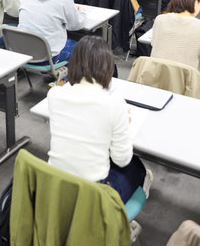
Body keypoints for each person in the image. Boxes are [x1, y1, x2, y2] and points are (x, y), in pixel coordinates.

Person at [47, 35, 149, 204]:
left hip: (55, 183)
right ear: (108, 68)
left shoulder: (55, 94)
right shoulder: (114, 103)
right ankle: (117, 223)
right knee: (137, 168)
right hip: (93, 194)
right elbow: (121, 159)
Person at [19, 0, 86, 63]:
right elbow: (75, 25)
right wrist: (82, 13)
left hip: (24, 52)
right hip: (50, 56)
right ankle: (65, 77)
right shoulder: (64, 0)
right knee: (84, 48)